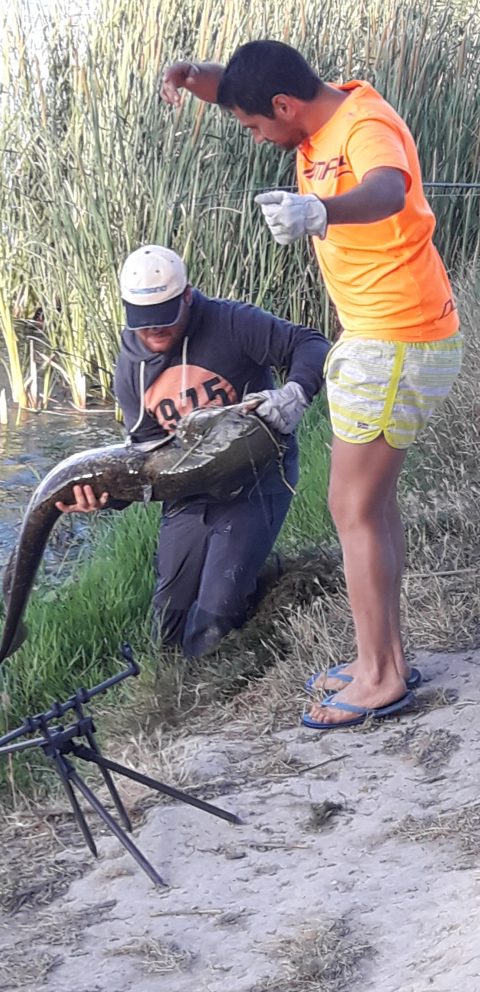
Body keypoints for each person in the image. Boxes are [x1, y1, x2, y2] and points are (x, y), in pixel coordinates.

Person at [160, 40, 463, 728]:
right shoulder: (312, 111)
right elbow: (252, 91)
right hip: (387, 337)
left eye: (253, 127)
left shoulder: (363, 125)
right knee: (371, 507)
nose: (256, 138)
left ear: (285, 107)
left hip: (398, 338)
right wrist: (194, 78)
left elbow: (390, 189)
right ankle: (380, 656)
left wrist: (321, 212)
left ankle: (382, 677)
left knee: (351, 508)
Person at [57, 244, 328, 659]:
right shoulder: (131, 370)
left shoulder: (232, 322)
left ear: (186, 296)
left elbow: (310, 344)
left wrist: (294, 393)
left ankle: (214, 690)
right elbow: (147, 466)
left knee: (216, 614)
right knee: (169, 624)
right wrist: (105, 499)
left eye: (164, 320)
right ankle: (181, 675)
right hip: (190, 491)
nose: (153, 334)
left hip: (256, 479)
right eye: (144, 324)